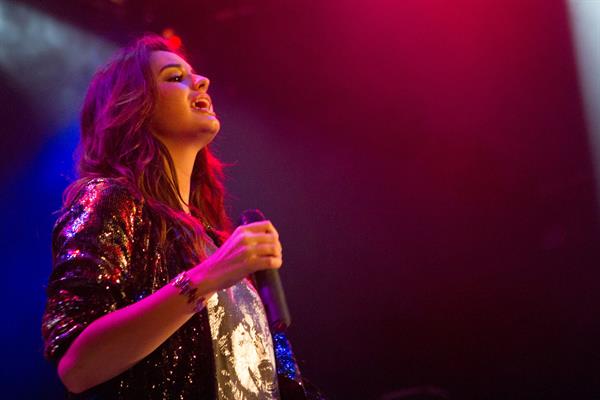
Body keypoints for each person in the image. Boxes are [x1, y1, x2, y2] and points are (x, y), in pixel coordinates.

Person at [41, 34, 315, 399]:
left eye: (196, 75)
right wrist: (208, 276)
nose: (202, 81)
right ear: (134, 106)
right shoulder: (111, 200)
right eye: (174, 77)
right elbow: (78, 367)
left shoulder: (215, 242)